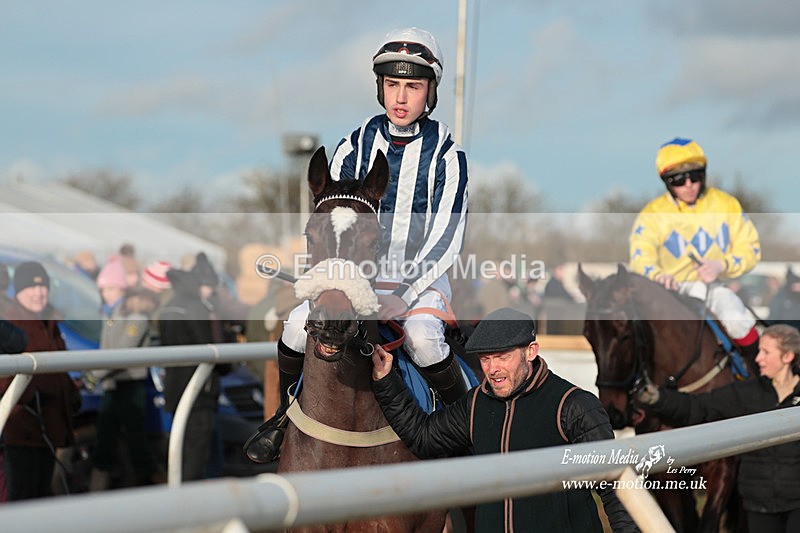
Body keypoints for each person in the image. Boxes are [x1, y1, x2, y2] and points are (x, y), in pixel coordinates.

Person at [253, 27, 470, 462]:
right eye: (393, 85)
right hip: (352, 278)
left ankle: (466, 430)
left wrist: (403, 297)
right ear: (380, 88)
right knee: (296, 328)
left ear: (430, 91)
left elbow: (448, 236)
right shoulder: (353, 144)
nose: (401, 97)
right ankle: (283, 418)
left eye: (413, 86)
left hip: (419, 280)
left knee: (423, 340)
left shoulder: (448, 155)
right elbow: (331, 218)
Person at [372, 307, 637, 532]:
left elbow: (616, 492)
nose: (493, 369)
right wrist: (386, 381)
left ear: (531, 351)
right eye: (486, 359)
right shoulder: (474, 404)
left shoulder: (576, 405)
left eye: (503, 357)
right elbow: (424, 438)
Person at [637, 324, 800, 532]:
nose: (757, 358)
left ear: (787, 356)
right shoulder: (745, 393)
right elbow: (699, 407)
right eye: (759, 351)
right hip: (759, 507)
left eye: (766, 352)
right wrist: (659, 398)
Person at [630, 137, 761, 361]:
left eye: (695, 176)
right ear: (667, 182)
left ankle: (760, 376)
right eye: (678, 180)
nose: (688, 184)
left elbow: (751, 248)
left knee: (736, 319)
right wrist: (657, 275)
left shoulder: (726, 204)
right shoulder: (652, 213)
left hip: (711, 290)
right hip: (668, 291)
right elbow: (640, 257)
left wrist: (722, 265)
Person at [0, 261, 80, 500]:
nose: (39, 293)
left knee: (40, 497)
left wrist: (71, 394)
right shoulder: (11, 326)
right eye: (31, 288)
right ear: (18, 291)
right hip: (19, 430)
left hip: (47, 430)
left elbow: (58, 371)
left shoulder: (50, 324)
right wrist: (30, 397)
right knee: (21, 498)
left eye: (43, 287)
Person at [87, 256, 162, 490]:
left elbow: (120, 353)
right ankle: (93, 504)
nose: (106, 293)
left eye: (110, 288)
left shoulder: (135, 315)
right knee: (104, 448)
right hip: (112, 386)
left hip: (129, 387)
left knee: (139, 450)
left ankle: (171, 497)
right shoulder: (110, 314)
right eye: (103, 289)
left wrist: (92, 375)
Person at [159, 252, 231, 481]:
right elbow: (209, 349)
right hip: (200, 390)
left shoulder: (170, 306)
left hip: (175, 386)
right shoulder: (196, 308)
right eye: (208, 286)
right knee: (198, 455)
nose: (211, 291)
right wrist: (227, 364)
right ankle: (195, 505)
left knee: (182, 449)